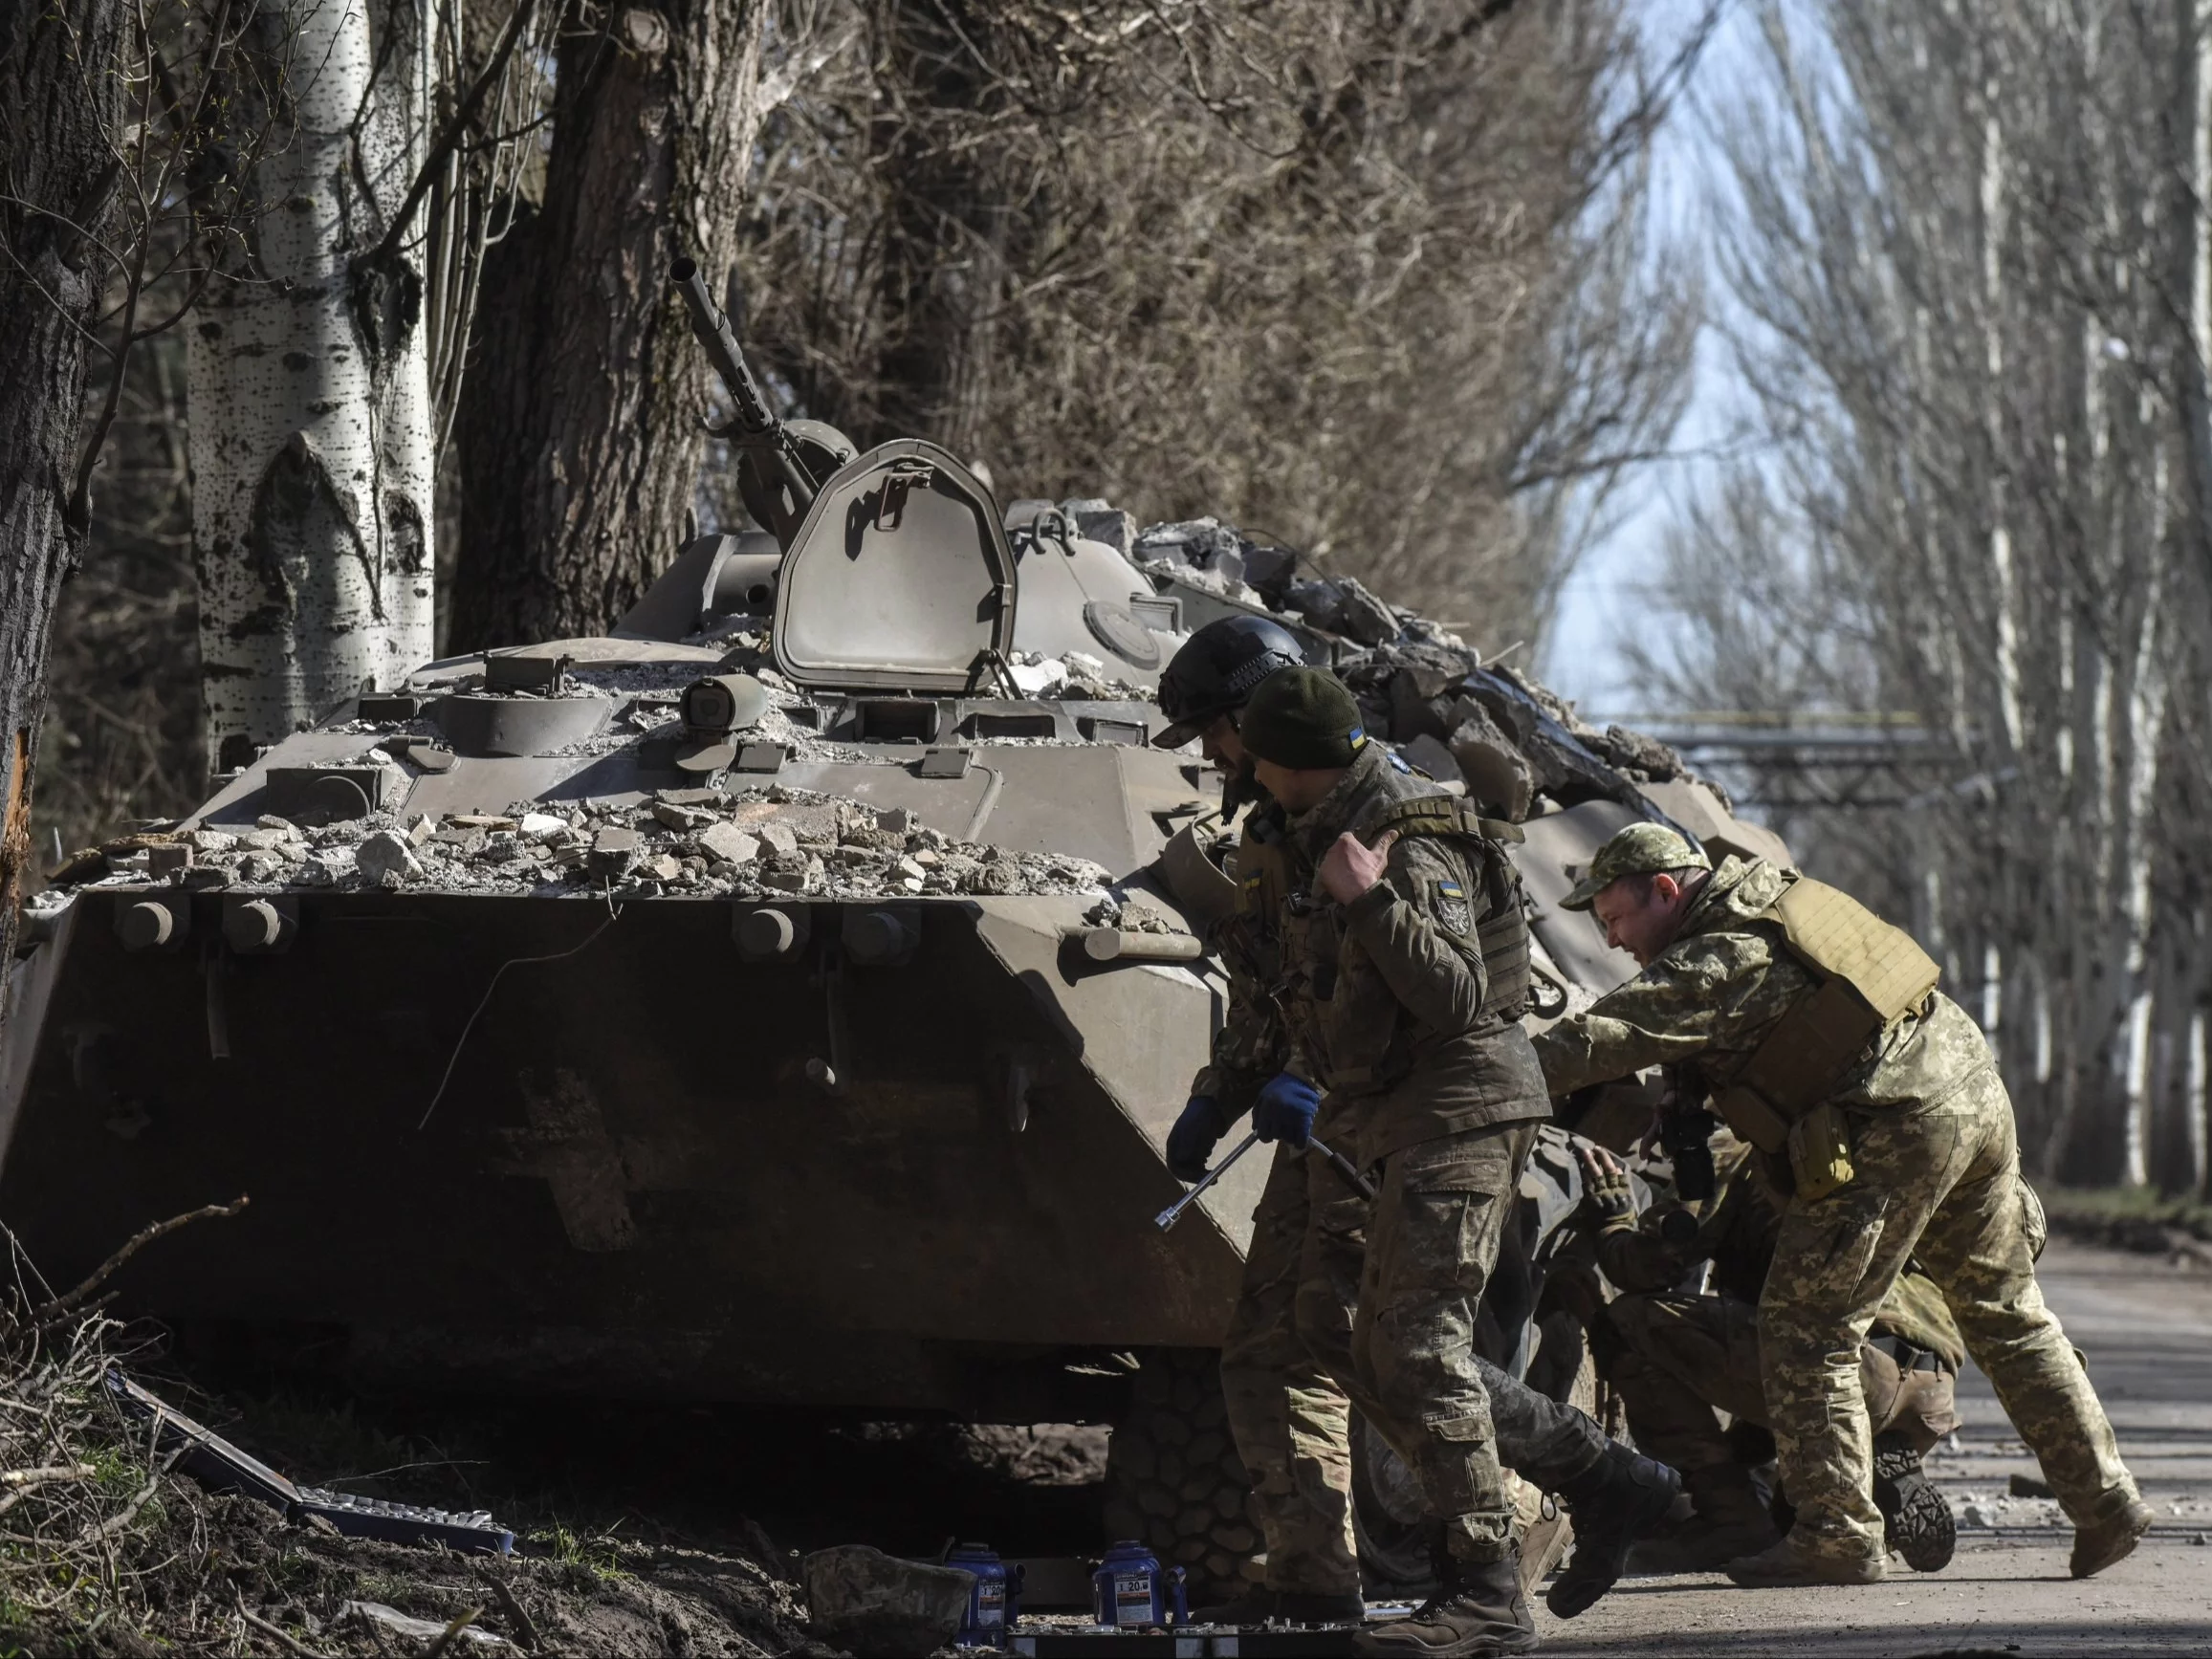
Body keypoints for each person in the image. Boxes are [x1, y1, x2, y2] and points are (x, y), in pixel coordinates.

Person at [1150, 626, 1678, 1640]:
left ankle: (1496, 1574)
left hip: (1450, 1106)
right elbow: (1280, 984)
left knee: (1411, 1349)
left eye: (1223, 736)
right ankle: (1313, 1571)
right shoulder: (1282, 824)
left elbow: (1450, 991)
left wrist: (1371, 894)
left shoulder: (1400, 821)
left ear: (1266, 732)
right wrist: (1224, 1092)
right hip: (1359, 1111)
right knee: (1296, 1335)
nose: (1217, 758)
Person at [1529, 821, 2152, 1587]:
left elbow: (1597, 1038)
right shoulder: (1780, 907)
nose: (1613, 939)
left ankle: (1836, 1534)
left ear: (1665, 890)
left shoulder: (1716, 953)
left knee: (1805, 1329)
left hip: (1892, 1120)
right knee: (2007, 1310)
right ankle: (2106, 1501)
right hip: (1968, 1089)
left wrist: (1475, 1074)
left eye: (1614, 917)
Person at [1559, 1136, 1964, 1572]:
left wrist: (1615, 1219)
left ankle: (1729, 1520)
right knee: (1785, 1516)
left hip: (1842, 1370)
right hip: (1930, 1382)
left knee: (1626, 1323)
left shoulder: (1733, 1144)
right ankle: (1864, 1458)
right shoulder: (1849, 1141)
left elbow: (1650, 1265)